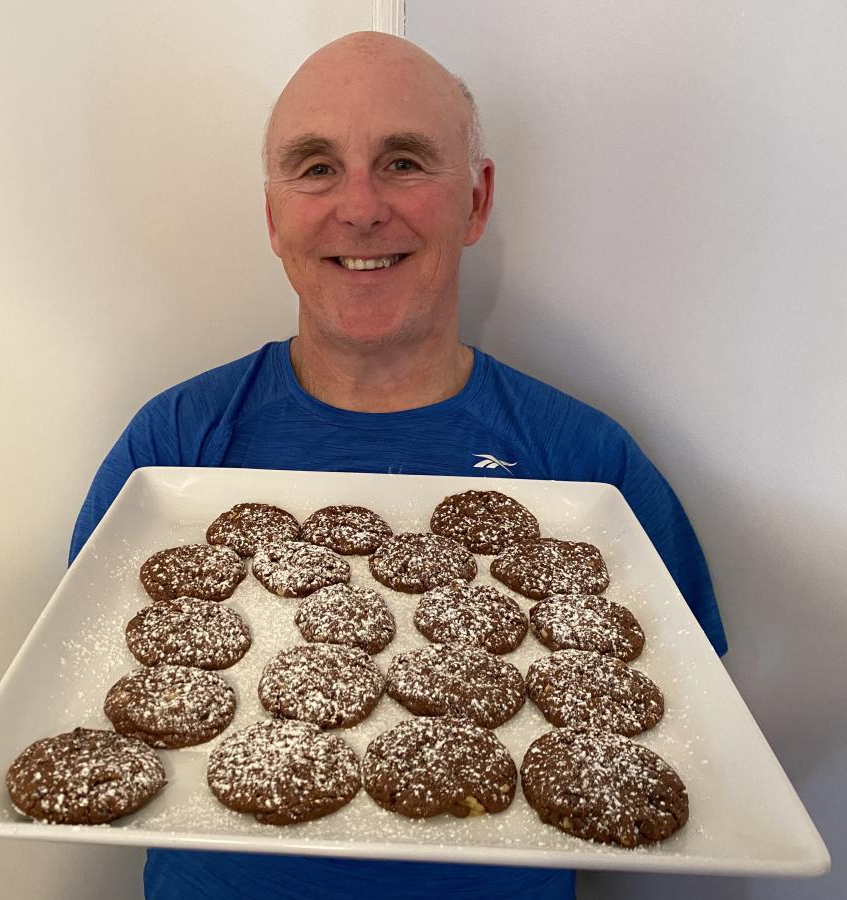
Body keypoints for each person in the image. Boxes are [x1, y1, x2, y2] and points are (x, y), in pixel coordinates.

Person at [70, 31, 727, 900]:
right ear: (272, 213)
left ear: (477, 200)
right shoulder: (178, 444)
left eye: (406, 162)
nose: (361, 207)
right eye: (315, 167)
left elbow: (693, 716)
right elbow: (87, 680)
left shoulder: (584, 463)